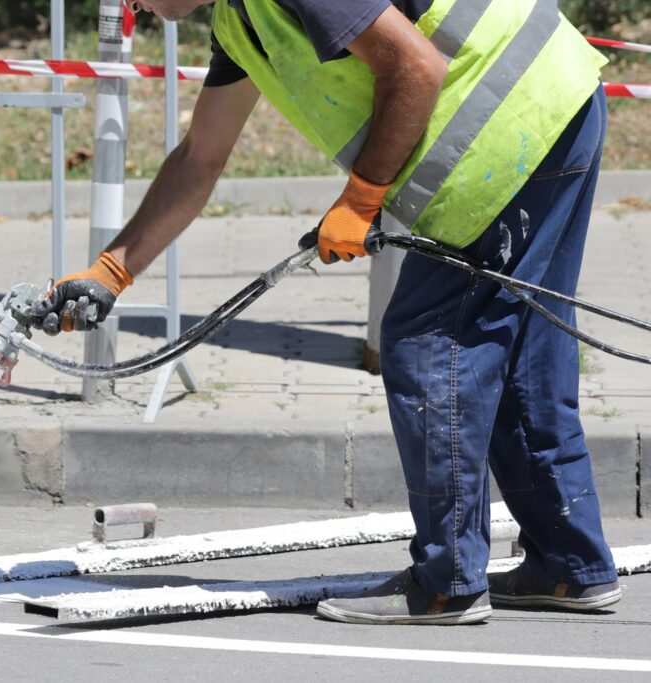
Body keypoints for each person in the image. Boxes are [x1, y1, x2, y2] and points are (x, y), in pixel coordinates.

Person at [34, 0, 621, 625]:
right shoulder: (239, 23)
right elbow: (200, 157)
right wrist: (111, 271)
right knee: (522, 346)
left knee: (428, 342)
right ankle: (568, 566)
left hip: (512, 125)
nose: (133, 5)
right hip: (550, 106)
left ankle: (447, 582)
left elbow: (416, 66)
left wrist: (362, 199)